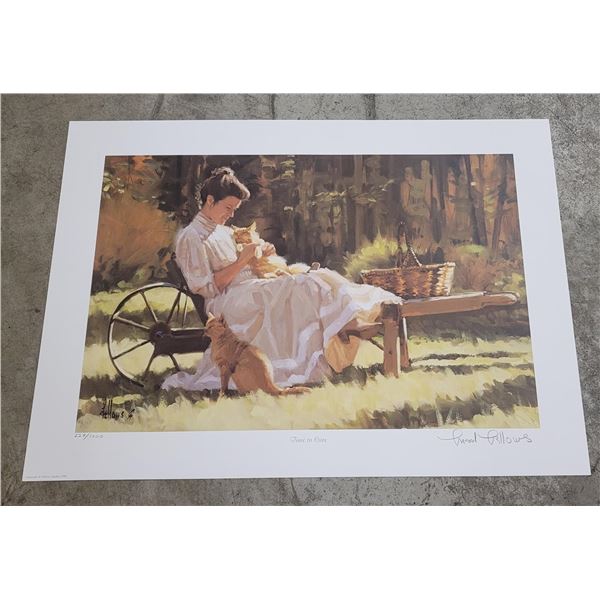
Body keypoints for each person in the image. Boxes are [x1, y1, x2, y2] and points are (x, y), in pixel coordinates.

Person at [161, 166, 402, 392]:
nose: (231, 214)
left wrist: (261, 253)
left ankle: (349, 321)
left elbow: (248, 264)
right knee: (302, 284)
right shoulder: (191, 237)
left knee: (314, 277)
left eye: (234, 209)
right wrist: (243, 261)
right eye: (228, 207)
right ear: (210, 201)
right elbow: (207, 287)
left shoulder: (224, 231)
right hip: (229, 300)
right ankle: (342, 326)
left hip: (251, 287)